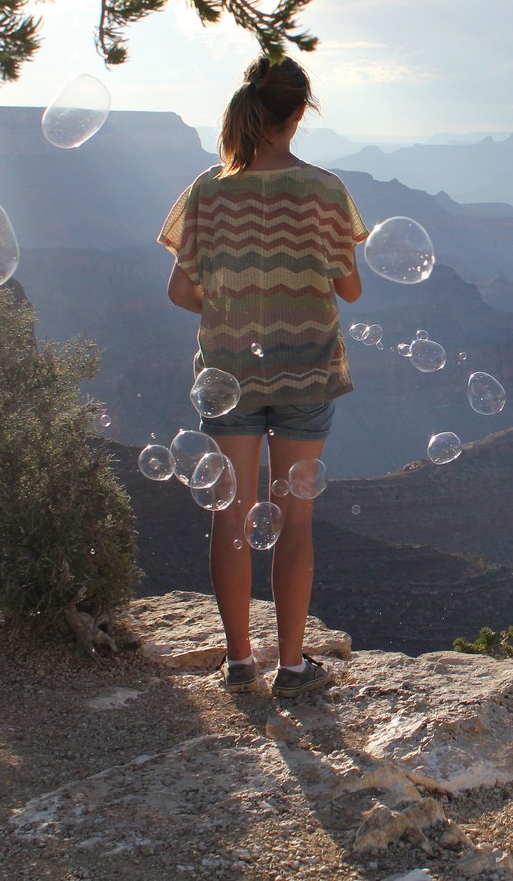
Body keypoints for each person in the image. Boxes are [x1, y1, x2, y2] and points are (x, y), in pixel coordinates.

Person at [158, 55, 367, 697]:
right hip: (306, 372)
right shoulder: (325, 191)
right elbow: (351, 290)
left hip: (228, 376)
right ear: (300, 112)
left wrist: (234, 307)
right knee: (295, 521)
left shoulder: (208, 191)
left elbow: (180, 292)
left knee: (229, 516)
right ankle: (293, 667)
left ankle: (239, 662)